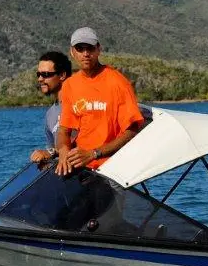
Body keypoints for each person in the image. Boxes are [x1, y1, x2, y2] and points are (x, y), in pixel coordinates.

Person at [55, 27, 145, 176]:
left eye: (90, 48)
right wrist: (63, 152)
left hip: (113, 171)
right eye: (80, 48)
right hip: (81, 170)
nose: (85, 53)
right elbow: (64, 131)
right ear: (72, 52)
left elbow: (132, 130)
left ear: (98, 49)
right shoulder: (70, 85)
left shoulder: (118, 82)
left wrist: (94, 154)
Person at [29, 51, 73, 165]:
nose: (40, 79)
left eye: (46, 74)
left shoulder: (79, 105)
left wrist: (50, 152)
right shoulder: (50, 114)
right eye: (38, 74)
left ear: (62, 75)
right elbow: (53, 154)